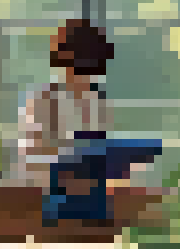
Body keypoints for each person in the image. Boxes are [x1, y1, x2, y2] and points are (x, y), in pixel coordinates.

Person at [15, 19, 114, 190]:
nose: (88, 77)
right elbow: (31, 163)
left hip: (90, 193)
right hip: (47, 196)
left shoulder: (98, 104)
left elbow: (101, 158)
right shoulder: (43, 101)